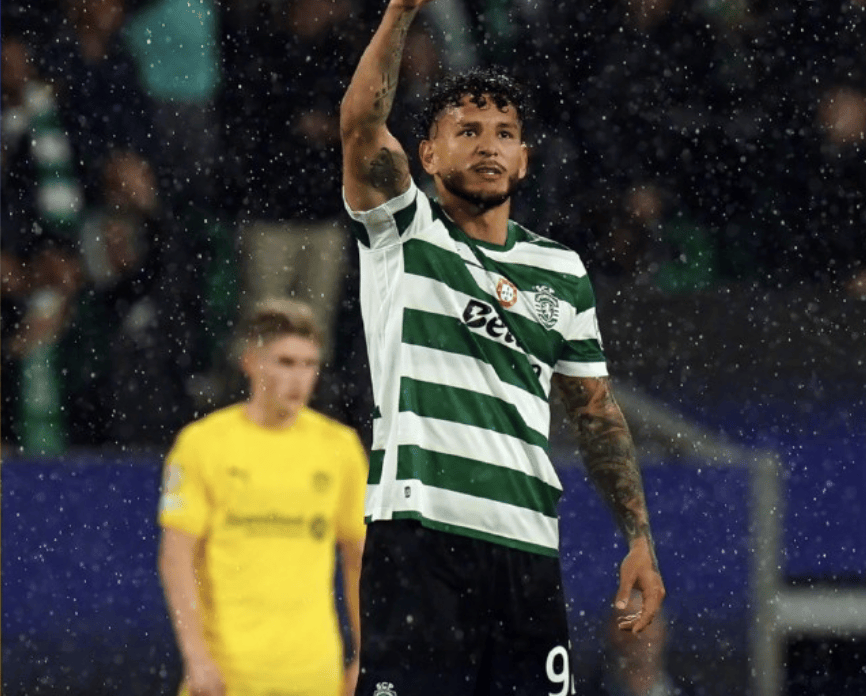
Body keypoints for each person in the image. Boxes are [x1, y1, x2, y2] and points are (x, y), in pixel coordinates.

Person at [339, 1, 666, 694]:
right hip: (420, 536)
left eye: (504, 133)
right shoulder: (406, 232)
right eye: (467, 130)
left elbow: (595, 412)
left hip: (527, 549)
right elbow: (362, 126)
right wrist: (401, 13)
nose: (488, 146)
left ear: (524, 158)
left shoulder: (562, 270)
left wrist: (639, 538)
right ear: (428, 154)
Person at [157, 298, 368, 696]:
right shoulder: (203, 443)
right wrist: (196, 657)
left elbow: (358, 557)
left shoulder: (340, 448)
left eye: (309, 364)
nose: (299, 377)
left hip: (314, 676)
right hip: (227, 677)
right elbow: (176, 557)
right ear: (250, 362)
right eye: (285, 362)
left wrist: (365, 653)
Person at [589, 591, 689, 696]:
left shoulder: (688, 687)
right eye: (628, 620)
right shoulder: (587, 688)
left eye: (649, 619)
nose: (640, 632)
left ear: (663, 629)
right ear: (610, 631)